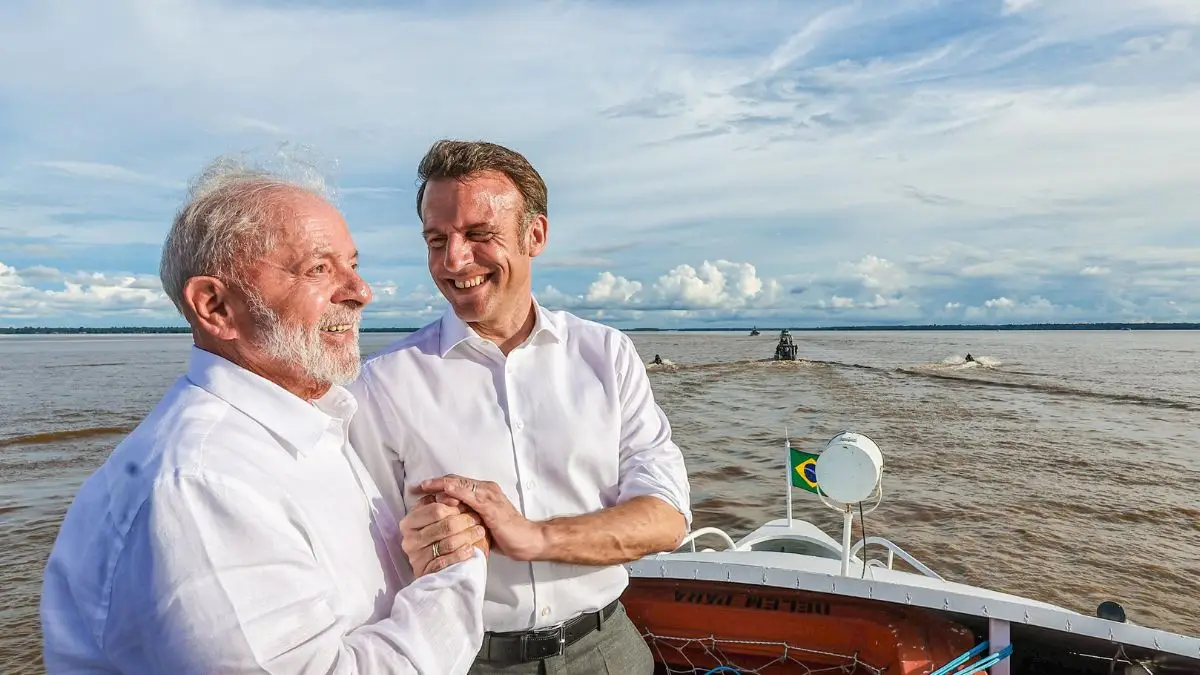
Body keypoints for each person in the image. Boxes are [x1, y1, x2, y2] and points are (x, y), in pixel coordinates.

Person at [40, 157, 491, 674]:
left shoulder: (307, 427)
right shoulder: (201, 484)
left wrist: (425, 545)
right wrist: (452, 574)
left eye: (353, 264)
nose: (361, 292)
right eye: (318, 269)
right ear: (215, 307)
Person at [346, 140, 692, 674]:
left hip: (608, 649)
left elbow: (667, 518)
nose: (454, 261)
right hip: (464, 659)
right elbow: (361, 554)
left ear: (536, 234)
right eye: (437, 240)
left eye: (479, 235)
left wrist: (531, 536)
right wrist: (418, 544)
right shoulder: (381, 383)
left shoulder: (606, 354)